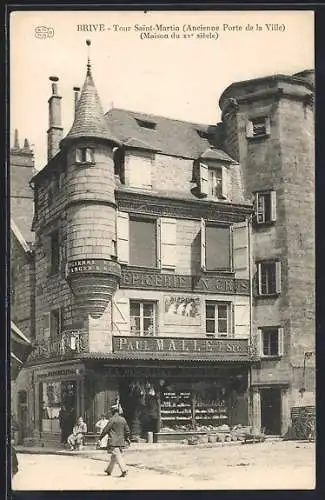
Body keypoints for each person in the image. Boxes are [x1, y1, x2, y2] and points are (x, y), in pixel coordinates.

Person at [98, 404, 130, 478]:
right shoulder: (123, 419)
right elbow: (127, 431)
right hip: (121, 442)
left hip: (113, 441)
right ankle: (109, 470)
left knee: (117, 456)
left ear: (113, 411)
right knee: (114, 456)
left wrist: (100, 438)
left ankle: (124, 469)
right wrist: (126, 438)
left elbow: (105, 430)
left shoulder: (112, 420)